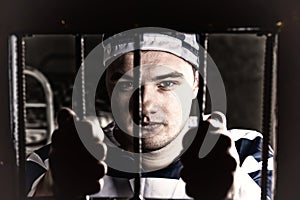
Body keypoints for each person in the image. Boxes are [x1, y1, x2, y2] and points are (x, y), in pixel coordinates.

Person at [25, 29, 273, 199]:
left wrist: (233, 192)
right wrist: (51, 191)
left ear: (196, 82)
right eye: (125, 84)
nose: (144, 105)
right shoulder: (53, 162)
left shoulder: (246, 153)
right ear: (106, 86)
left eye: (166, 84)